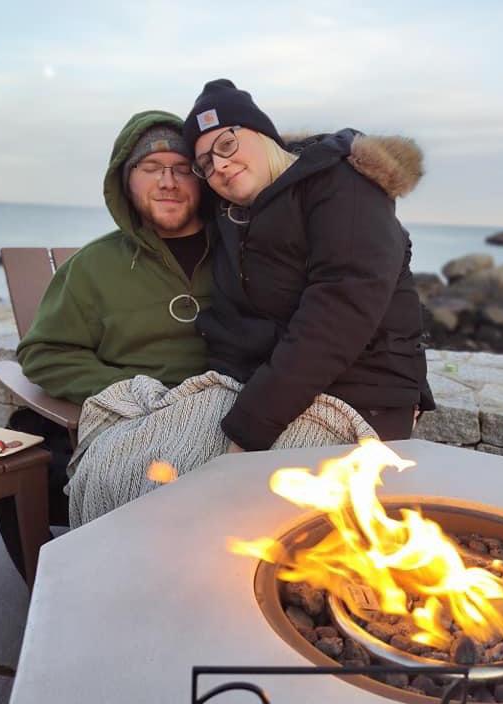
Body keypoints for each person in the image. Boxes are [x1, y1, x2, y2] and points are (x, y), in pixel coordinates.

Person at [0, 110, 215, 577]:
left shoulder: (242, 256)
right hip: (130, 420)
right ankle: (52, 597)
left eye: (182, 168)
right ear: (126, 180)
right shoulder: (95, 265)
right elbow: (44, 352)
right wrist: (130, 391)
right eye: (151, 168)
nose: (168, 182)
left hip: (224, 425)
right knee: (24, 453)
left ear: (203, 179)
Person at [183, 79, 434, 452]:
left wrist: (249, 429)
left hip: (361, 397)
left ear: (262, 133)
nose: (219, 164)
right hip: (271, 391)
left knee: (225, 496)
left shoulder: (342, 187)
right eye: (205, 162)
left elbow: (338, 314)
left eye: (227, 143)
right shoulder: (238, 214)